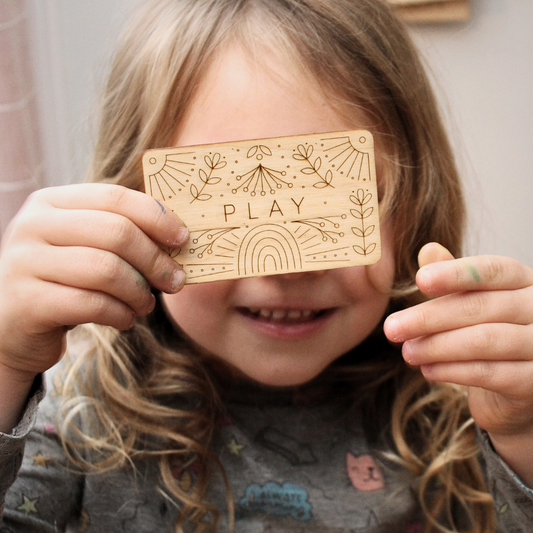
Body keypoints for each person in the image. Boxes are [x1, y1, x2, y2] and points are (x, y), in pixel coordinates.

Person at [1, 0, 532, 531]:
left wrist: (523, 436)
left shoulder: (474, 410)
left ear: (416, 206)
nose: (285, 266)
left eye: (329, 198)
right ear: (129, 204)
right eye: (228, 206)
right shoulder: (70, 416)